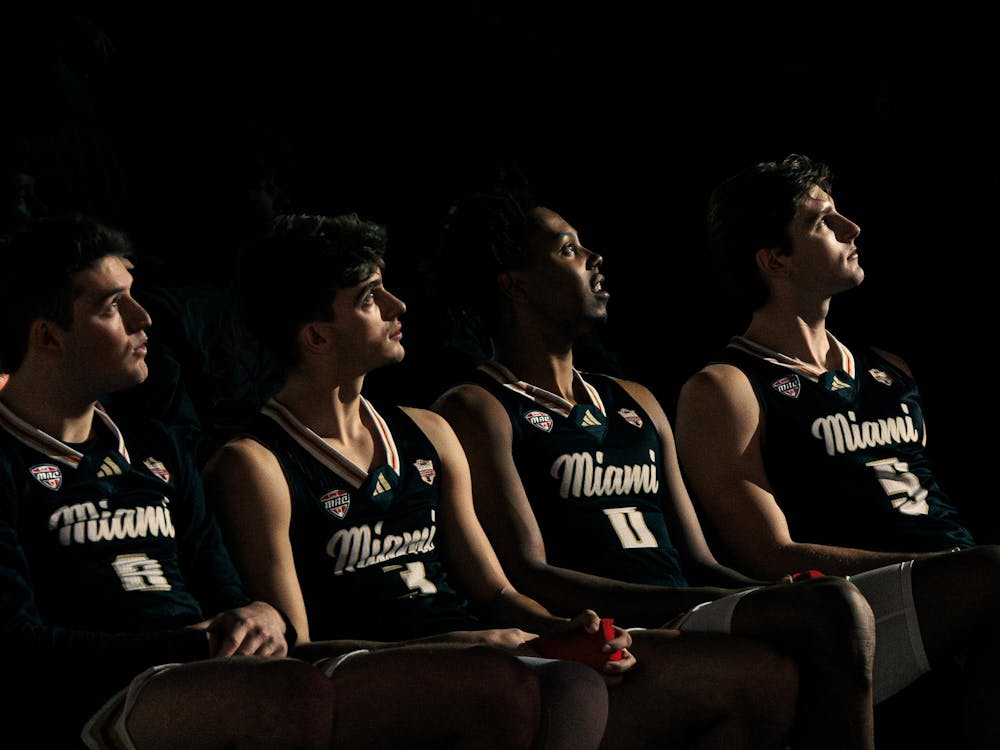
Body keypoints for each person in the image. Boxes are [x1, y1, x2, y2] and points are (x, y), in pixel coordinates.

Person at [427, 182, 1000, 749]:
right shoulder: (477, 406)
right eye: (569, 249)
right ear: (515, 285)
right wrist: (718, 601)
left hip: (684, 611)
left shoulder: (635, 399)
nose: (595, 258)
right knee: (837, 608)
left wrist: (760, 596)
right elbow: (527, 572)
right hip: (617, 625)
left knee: (818, 607)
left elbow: (698, 559)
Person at [203, 211, 803, 750]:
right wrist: (465, 651)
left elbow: (497, 593)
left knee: (765, 678)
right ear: (315, 334)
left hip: (502, 659)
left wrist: (564, 630)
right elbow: (299, 653)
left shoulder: (427, 431)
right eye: (368, 296)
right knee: (547, 691)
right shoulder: (255, 462)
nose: (398, 306)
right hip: (396, 684)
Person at [0, 213, 594, 750]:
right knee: (298, 694)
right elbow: (23, 647)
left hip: (201, 668)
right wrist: (199, 642)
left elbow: (233, 596)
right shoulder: (244, 461)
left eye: (135, 296)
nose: (144, 316)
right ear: (49, 335)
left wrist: (252, 616)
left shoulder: (158, 448)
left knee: (574, 685)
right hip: (102, 694)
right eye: (112, 306)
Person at [674, 153, 1000, 746]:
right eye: (823, 221)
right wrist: (950, 573)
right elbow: (767, 553)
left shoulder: (889, 369)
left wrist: (960, 574)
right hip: (859, 612)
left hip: (963, 585)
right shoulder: (726, 386)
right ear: (776, 260)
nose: (853, 228)